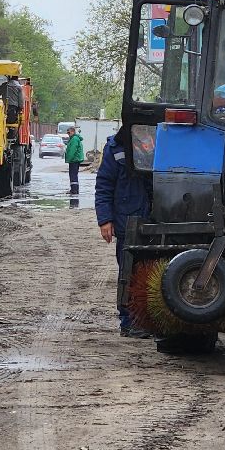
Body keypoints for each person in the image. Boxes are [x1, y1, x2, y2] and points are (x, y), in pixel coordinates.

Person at [95, 124, 152, 337]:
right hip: (128, 221)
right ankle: (129, 321)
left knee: (151, 272)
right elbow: (104, 186)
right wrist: (105, 220)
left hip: (153, 219)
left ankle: (148, 321)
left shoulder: (154, 146)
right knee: (129, 272)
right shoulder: (115, 148)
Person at [64, 124, 85, 194]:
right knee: (73, 174)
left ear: (72, 132)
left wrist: (68, 159)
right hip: (74, 159)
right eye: (67, 133)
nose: (68, 134)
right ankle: (74, 189)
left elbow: (72, 150)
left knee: (73, 175)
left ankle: (74, 190)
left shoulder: (74, 139)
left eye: (69, 132)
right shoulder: (73, 138)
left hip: (74, 160)